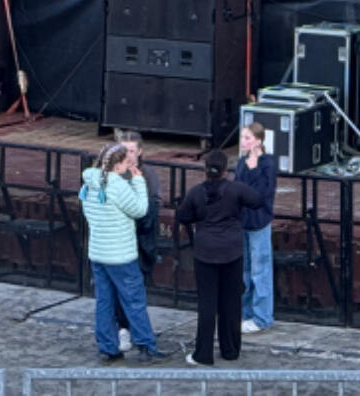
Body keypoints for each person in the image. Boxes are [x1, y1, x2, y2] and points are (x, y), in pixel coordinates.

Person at [176, 148, 261, 366]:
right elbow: (257, 200)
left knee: (207, 304)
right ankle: (230, 350)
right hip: (232, 252)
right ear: (225, 170)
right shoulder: (236, 189)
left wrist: (199, 218)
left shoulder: (196, 193)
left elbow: (182, 215)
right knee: (231, 303)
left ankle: (203, 353)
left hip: (205, 253)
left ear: (205, 170)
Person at [78, 143, 161, 363]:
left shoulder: (89, 184)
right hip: (121, 254)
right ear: (117, 165)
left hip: (98, 252)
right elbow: (140, 209)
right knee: (133, 300)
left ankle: (108, 347)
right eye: (125, 162)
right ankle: (146, 346)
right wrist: (138, 182)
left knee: (104, 301)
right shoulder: (116, 184)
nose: (128, 165)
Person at [110, 131, 162, 351]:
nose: (129, 155)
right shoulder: (115, 174)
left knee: (136, 288)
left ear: (140, 151)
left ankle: (136, 332)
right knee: (119, 289)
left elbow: (152, 207)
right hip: (121, 241)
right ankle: (124, 328)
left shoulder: (148, 175)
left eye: (132, 150)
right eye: (125, 151)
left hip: (142, 240)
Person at [236, 120, 277, 334]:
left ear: (258, 141)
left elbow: (262, 194)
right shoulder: (241, 162)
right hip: (243, 221)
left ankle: (262, 317)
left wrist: (253, 170)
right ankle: (246, 313)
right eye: (242, 137)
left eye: (247, 138)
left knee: (260, 270)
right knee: (245, 271)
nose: (243, 142)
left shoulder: (268, 163)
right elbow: (238, 188)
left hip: (259, 222)